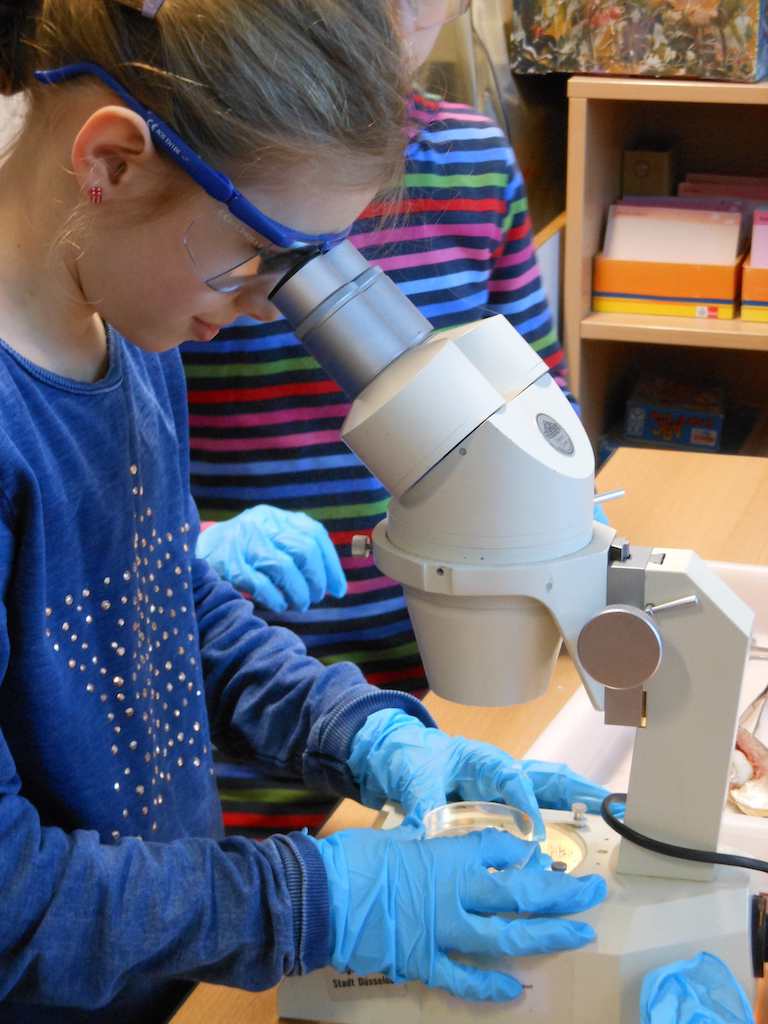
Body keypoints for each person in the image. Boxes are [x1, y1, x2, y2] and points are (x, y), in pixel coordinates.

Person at [0, 1, 609, 1020]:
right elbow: (15, 903)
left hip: (161, 969)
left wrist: (355, 729)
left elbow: (162, 604)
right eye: (260, 259)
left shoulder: (126, 330)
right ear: (108, 164)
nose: (269, 307)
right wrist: (319, 894)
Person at [186, 0, 583, 837]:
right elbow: (106, 481)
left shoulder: (474, 159)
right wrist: (191, 547)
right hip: (243, 698)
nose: (396, 14)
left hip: (441, 688)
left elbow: (546, 405)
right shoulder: (206, 188)